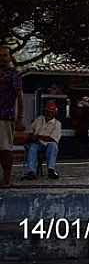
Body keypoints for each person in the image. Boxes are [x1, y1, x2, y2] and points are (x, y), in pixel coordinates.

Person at [0, 46, 24, 188]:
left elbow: (20, 97)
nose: (2, 58)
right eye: (0, 55)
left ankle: (7, 179)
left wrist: (20, 117)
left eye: (4, 55)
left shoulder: (14, 74)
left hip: (5, 117)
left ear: (9, 57)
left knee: (5, 149)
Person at [23, 101, 62, 180]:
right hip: (37, 144)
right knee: (32, 147)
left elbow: (53, 139)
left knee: (53, 146)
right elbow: (30, 130)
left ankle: (51, 170)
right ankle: (31, 172)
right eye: (47, 111)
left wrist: (37, 136)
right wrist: (31, 136)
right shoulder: (39, 119)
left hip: (48, 145)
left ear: (54, 113)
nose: (48, 113)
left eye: (51, 112)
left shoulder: (57, 124)